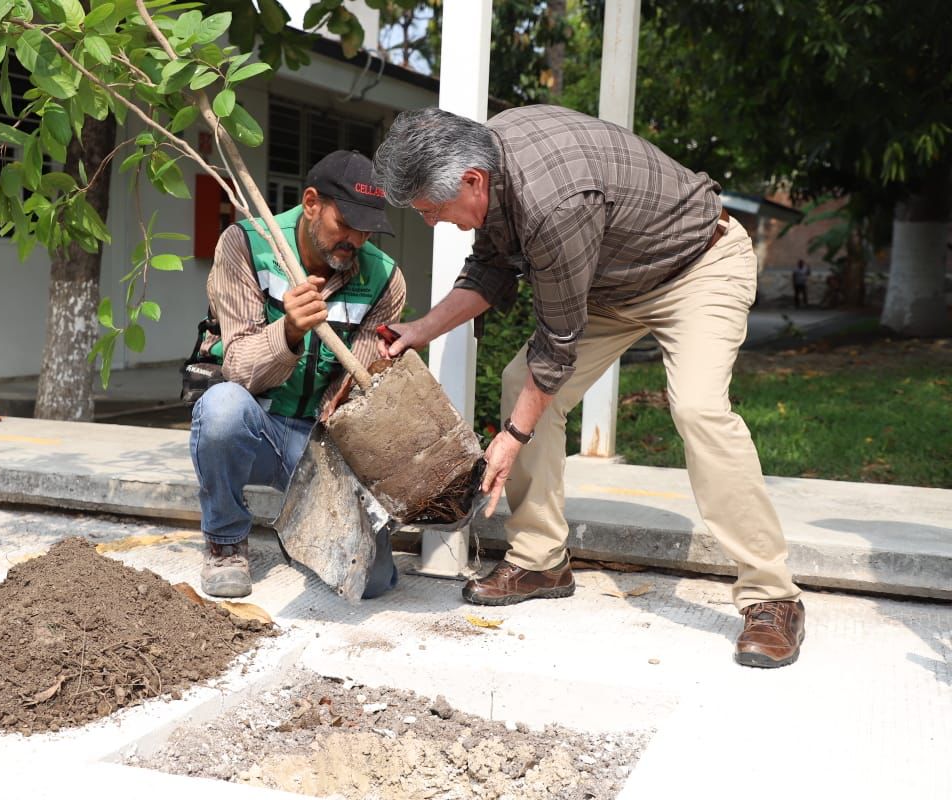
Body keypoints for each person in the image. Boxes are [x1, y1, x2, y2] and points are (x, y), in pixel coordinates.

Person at [373, 106, 805, 668]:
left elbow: (558, 343)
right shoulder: (489, 158)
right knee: (516, 383)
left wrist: (510, 438)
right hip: (611, 284)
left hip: (696, 266)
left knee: (698, 409)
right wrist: (420, 329)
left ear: (472, 181)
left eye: (432, 211)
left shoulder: (555, 202)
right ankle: (539, 558)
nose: (431, 222)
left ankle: (772, 596)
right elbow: (490, 269)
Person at [190, 150, 406, 600]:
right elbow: (240, 370)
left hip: (322, 444)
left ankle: (306, 529)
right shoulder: (246, 245)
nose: (356, 239)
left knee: (374, 582)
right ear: (311, 203)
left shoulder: (385, 279)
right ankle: (226, 543)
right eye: (344, 224)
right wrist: (288, 332)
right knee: (221, 409)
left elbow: (353, 397)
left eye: (366, 228)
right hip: (259, 427)